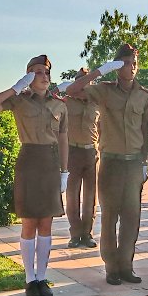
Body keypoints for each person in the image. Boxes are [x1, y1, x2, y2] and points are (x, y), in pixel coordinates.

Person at [64, 44, 148, 285]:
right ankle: (111, 268)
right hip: (111, 162)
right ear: (116, 67)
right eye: (126, 63)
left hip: (133, 163)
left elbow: (145, 130)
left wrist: (145, 162)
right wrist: (98, 72)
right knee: (110, 216)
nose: (132, 67)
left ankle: (127, 266)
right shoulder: (103, 91)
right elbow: (72, 90)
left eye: (135, 62)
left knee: (131, 217)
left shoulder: (143, 95)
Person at [0, 55, 69, 296]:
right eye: (36, 72)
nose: (43, 76)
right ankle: (29, 279)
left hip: (51, 163)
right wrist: (15, 87)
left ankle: (42, 277)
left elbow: (63, 139)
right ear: (29, 77)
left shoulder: (59, 104)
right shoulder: (19, 101)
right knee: (29, 221)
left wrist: (65, 171)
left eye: (45, 72)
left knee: (47, 223)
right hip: (29, 160)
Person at [63, 68, 99, 249]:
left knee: (91, 196)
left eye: (88, 83)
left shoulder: (96, 103)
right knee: (72, 196)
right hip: (73, 152)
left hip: (92, 153)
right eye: (82, 83)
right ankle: (75, 234)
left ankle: (87, 233)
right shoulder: (66, 103)